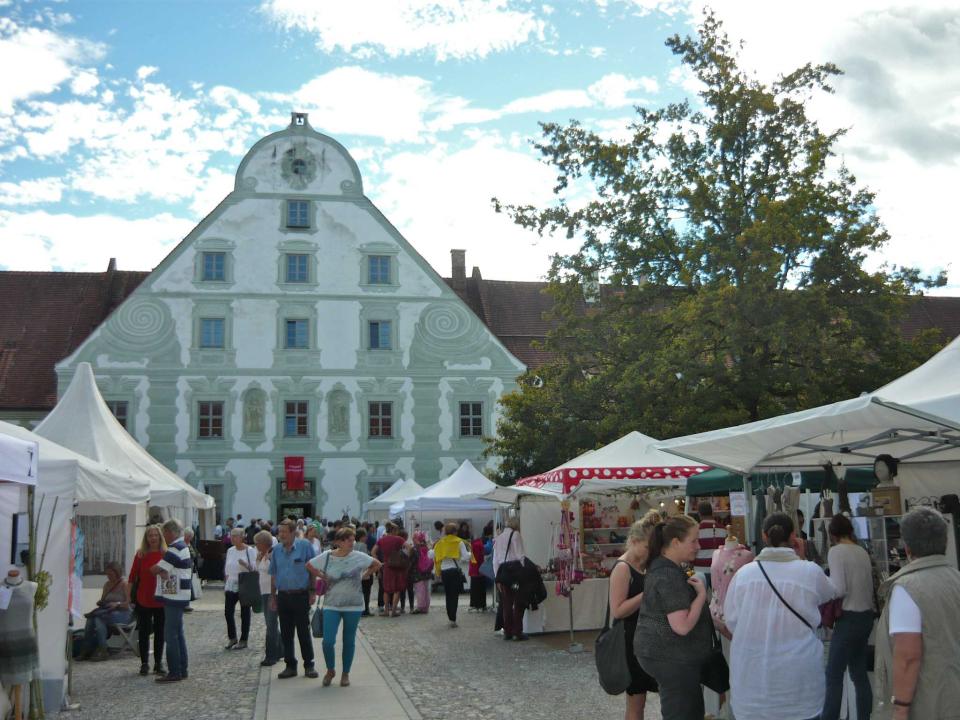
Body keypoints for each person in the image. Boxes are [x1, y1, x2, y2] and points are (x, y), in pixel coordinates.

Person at [723, 512, 837, 720]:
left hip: (752, 688)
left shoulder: (743, 576)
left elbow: (731, 622)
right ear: (794, 536)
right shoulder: (809, 572)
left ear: (764, 536)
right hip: (799, 687)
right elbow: (831, 592)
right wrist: (802, 558)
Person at [874, 506, 960, 720]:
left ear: (907, 546)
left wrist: (900, 709)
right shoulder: (955, 578)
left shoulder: (907, 587)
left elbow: (908, 655)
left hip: (928, 700)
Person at [634, 514, 713, 719]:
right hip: (672, 658)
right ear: (676, 542)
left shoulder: (664, 567)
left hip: (666, 655)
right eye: (693, 540)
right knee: (683, 712)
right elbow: (682, 626)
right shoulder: (668, 574)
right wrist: (702, 595)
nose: (698, 546)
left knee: (685, 710)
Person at [307, 527, 382, 687]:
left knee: (349, 641)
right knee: (327, 641)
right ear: (339, 542)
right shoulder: (327, 556)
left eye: (353, 540)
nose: (352, 543)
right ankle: (330, 670)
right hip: (331, 604)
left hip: (353, 605)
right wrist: (322, 576)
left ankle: (345, 673)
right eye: (348, 540)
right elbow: (309, 565)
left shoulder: (358, 556)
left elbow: (377, 564)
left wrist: (365, 575)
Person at [822, 514, 875, 720]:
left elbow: (839, 588)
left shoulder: (836, 552)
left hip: (849, 617)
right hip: (866, 616)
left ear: (832, 534)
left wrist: (824, 586)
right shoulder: (861, 551)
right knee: (858, 673)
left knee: (833, 674)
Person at [609, 511, 661, 720]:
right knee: (636, 703)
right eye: (647, 547)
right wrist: (646, 593)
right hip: (630, 642)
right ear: (632, 541)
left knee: (643, 700)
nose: (650, 552)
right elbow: (618, 610)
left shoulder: (644, 565)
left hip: (647, 638)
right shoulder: (623, 568)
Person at [269, 519, 318, 679]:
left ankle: (309, 665)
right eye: (279, 532)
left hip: (301, 595)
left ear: (292, 532)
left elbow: (312, 571)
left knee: (303, 631)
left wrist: (312, 592)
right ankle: (290, 665)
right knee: (286, 633)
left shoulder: (305, 547)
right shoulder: (276, 550)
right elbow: (274, 575)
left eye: (283, 531)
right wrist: (273, 597)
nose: (281, 535)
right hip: (283, 596)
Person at [150, 518, 193, 683]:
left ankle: (175, 671)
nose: (163, 538)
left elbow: (155, 569)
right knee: (178, 633)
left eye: (164, 534)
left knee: (171, 634)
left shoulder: (175, 548)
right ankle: (182, 669)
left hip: (174, 595)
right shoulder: (182, 546)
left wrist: (158, 570)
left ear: (169, 532)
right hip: (180, 594)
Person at [128, 525, 166, 675]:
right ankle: (144, 663)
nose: (153, 538)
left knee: (160, 632)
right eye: (150, 535)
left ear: (160, 537)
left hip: (161, 599)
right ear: (146, 538)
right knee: (143, 632)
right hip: (143, 598)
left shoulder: (165, 553)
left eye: (156, 535)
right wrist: (127, 597)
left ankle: (158, 662)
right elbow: (132, 577)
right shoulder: (141, 555)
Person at [79, 561, 131, 661]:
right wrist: (101, 602)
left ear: (117, 573)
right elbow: (103, 600)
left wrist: (117, 604)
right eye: (107, 574)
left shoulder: (124, 585)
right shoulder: (107, 585)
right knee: (90, 620)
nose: (109, 577)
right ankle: (86, 649)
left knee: (99, 618)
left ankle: (103, 649)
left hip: (122, 613)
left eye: (111, 574)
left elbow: (128, 604)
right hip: (108, 611)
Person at [431, 522, 471, 628]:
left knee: (448, 595)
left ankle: (450, 618)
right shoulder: (459, 542)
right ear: (455, 532)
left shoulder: (441, 542)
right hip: (454, 571)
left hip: (444, 571)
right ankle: (453, 618)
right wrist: (470, 554)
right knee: (454, 595)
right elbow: (466, 556)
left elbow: (431, 555)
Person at [492, 518, 526, 640]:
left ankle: (507, 631)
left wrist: (497, 578)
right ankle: (517, 631)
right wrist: (524, 573)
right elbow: (520, 555)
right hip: (514, 572)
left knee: (506, 603)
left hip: (503, 572)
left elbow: (495, 560)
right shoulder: (515, 535)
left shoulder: (498, 537)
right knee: (518, 602)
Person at [254, 530, 282, 667]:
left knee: (271, 624)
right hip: (264, 592)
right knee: (271, 623)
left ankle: (271, 656)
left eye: (257, 543)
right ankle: (280, 650)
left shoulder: (272, 555)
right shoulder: (264, 555)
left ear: (263, 543)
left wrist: (273, 595)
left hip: (271, 593)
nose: (255, 545)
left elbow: (274, 575)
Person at [223, 527, 255, 650]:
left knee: (245, 613)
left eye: (235, 536)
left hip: (244, 584)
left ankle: (244, 639)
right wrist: (226, 582)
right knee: (228, 612)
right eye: (232, 535)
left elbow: (254, 568)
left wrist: (245, 564)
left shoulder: (250, 550)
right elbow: (227, 567)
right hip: (231, 583)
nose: (232, 538)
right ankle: (232, 637)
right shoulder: (230, 550)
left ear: (242, 537)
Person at [374, 523, 407, 617]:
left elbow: (373, 552)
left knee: (386, 589)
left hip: (386, 566)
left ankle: (386, 611)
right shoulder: (399, 539)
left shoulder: (381, 540)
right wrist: (405, 558)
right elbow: (409, 547)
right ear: (393, 530)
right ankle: (393, 611)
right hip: (397, 566)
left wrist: (378, 562)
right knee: (397, 589)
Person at [694, 501, 726, 588]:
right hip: (718, 570)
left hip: (699, 570)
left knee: (701, 599)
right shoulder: (723, 530)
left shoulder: (694, 530)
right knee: (717, 599)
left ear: (699, 513)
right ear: (712, 512)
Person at [409, 531, 433, 613]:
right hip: (427, 573)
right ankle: (426, 607)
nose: (412, 540)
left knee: (420, 590)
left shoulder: (414, 549)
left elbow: (411, 562)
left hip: (417, 573)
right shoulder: (427, 547)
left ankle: (420, 607)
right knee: (426, 590)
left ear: (416, 539)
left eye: (413, 538)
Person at [468, 533, 487, 612]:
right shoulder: (480, 544)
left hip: (475, 570)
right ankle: (482, 604)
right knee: (481, 589)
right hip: (481, 570)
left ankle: (476, 605)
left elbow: (473, 559)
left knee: (475, 589)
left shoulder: (474, 545)